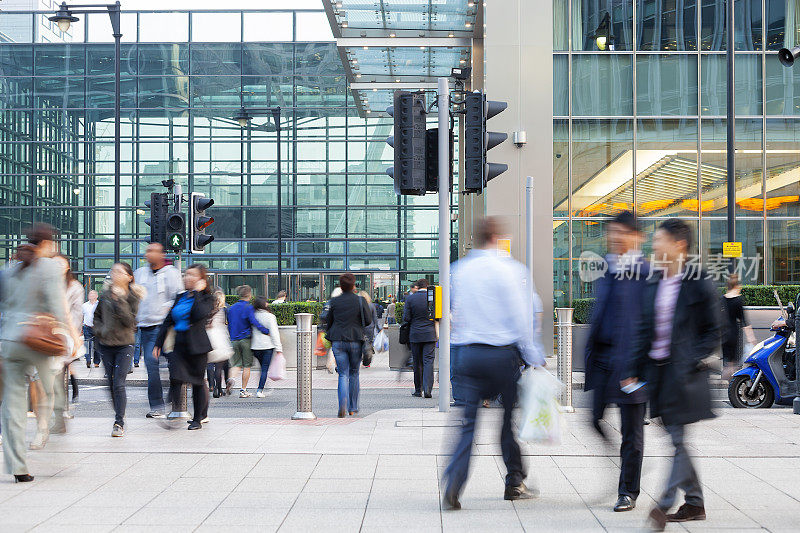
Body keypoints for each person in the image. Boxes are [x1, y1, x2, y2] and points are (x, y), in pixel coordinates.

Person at [622, 218, 718, 531]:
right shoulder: (654, 282)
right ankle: (694, 502)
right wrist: (633, 370)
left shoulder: (697, 281)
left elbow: (715, 329)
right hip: (659, 374)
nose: (654, 245)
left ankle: (663, 505)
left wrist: (693, 358)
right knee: (677, 440)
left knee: (678, 439)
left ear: (679, 245)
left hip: (685, 375)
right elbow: (644, 330)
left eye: (660, 240)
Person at [443, 217, 545, 510]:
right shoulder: (510, 270)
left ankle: (454, 481)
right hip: (502, 355)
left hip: (468, 354)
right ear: (498, 238)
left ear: (476, 238)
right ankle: (514, 481)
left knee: (467, 424)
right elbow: (520, 317)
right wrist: (532, 355)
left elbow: (454, 312)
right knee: (506, 422)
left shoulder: (459, 270)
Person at [583, 211, 649, 513]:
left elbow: (649, 323)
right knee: (593, 419)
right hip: (605, 360)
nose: (614, 239)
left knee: (632, 433)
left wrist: (639, 368)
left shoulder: (648, 273)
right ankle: (621, 464)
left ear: (636, 236)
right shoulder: (609, 268)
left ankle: (628, 491)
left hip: (632, 364)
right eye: (612, 234)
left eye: (620, 233)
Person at [1, 224, 67, 481]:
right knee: (51, 385)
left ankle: (19, 468)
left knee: (13, 403)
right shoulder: (50, 267)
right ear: (47, 244)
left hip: (10, 340)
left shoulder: (9, 270)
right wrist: (66, 335)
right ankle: (56, 416)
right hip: (37, 339)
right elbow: (56, 306)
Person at [154, 264, 214, 430]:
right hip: (179, 345)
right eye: (186, 275)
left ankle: (197, 419)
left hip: (197, 346)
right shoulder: (180, 297)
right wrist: (158, 343)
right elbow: (168, 321)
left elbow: (198, 314)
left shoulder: (207, 298)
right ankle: (171, 404)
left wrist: (197, 293)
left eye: (192, 275)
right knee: (176, 376)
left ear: (201, 279)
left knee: (197, 382)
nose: (187, 278)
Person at [94, 262, 142, 438]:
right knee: (110, 384)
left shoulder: (133, 296)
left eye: (119, 271)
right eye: (112, 270)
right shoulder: (106, 294)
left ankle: (118, 421)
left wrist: (119, 300)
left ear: (129, 277)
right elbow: (97, 316)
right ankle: (119, 412)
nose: (114, 274)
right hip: (106, 344)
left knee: (118, 383)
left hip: (124, 344)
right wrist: (99, 330)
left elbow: (130, 321)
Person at [134, 242, 182, 418]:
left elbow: (178, 297)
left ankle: (174, 396)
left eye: (153, 251)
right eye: (147, 250)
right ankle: (157, 406)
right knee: (151, 365)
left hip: (167, 328)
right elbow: (134, 297)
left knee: (174, 365)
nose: (148, 254)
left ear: (161, 254)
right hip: (146, 329)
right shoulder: (139, 274)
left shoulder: (171, 274)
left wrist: (165, 310)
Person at [324, 273, 372, 418]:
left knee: (343, 374)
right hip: (355, 340)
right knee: (354, 373)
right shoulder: (360, 300)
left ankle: (342, 404)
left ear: (340, 286)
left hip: (338, 340)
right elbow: (368, 320)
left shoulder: (334, 301)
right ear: (353, 286)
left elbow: (328, 321)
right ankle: (353, 406)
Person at [51, 253, 83, 430]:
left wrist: (73, 336)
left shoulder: (74, 287)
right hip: (45, 334)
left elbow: (77, 314)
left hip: (63, 336)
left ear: (67, 267)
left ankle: (59, 415)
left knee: (58, 376)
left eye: (60, 264)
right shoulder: (45, 284)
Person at [227, 285, 270, 398]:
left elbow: (229, 324)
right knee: (246, 366)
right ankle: (243, 390)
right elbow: (254, 322)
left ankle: (231, 379)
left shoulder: (231, 308)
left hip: (234, 339)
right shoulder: (249, 307)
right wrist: (265, 331)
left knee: (236, 364)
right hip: (246, 339)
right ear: (249, 295)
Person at [403, 279, 437, 398]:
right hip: (430, 334)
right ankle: (428, 389)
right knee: (428, 362)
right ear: (427, 286)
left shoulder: (410, 299)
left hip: (415, 334)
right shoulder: (433, 297)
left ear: (417, 286)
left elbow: (406, 318)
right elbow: (438, 316)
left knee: (417, 362)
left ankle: (418, 390)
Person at [721, 274, 756, 381]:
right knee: (735, 362)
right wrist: (751, 338)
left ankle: (726, 382)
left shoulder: (722, 299)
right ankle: (733, 386)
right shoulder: (738, 300)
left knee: (727, 362)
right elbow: (744, 321)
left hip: (723, 333)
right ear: (737, 286)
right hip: (734, 333)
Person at [251, 296, 282, 398]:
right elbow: (274, 333)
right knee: (264, 369)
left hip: (255, 346)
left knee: (262, 368)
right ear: (264, 304)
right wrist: (279, 348)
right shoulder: (270, 317)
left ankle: (262, 384)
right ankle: (260, 390)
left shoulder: (253, 315)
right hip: (267, 346)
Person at [208, 290, 231, 398]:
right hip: (219, 338)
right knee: (219, 366)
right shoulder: (223, 310)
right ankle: (218, 388)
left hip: (208, 337)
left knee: (210, 364)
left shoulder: (208, 310)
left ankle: (213, 386)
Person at [358, 291, 380, 368]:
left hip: (359, 327)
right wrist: (378, 328)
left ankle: (360, 358)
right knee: (368, 343)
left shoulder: (358, 305)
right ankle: (367, 361)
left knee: (359, 343)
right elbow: (375, 318)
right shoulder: (371, 305)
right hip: (370, 327)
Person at [82, 290, 99, 368]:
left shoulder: (99, 305)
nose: (91, 296)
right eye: (90, 294)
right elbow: (81, 316)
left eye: (93, 294)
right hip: (87, 327)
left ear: (96, 296)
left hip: (97, 328)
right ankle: (88, 360)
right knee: (87, 345)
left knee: (97, 346)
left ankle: (96, 362)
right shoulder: (84, 305)